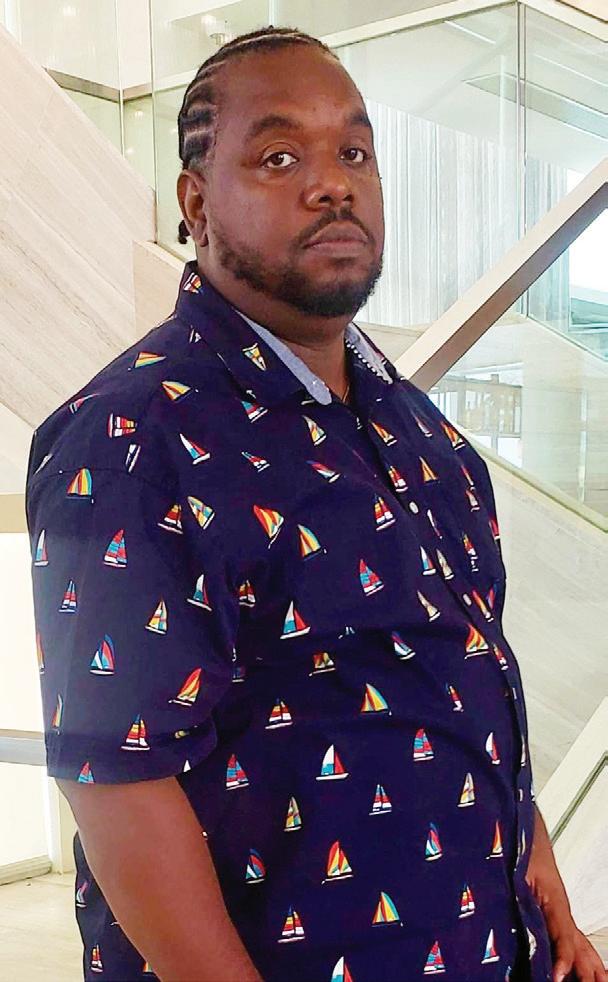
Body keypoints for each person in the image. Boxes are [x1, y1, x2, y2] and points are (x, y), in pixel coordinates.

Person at [25, 25, 606, 982]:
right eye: (280, 157)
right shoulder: (132, 436)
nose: (333, 184)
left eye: (355, 153)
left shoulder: (424, 433)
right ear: (195, 202)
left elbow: (465, 681)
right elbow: (120, 782)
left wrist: (540, 880)